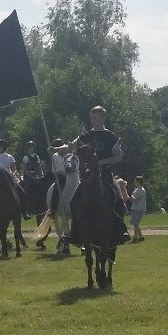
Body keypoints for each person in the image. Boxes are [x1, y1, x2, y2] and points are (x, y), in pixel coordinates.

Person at [56, 105, 130, 248]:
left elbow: (118, 157)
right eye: (91, 118)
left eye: (95, 118)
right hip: (88, 176)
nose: (92, 121)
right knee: (73, 201)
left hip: (105, 174)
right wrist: (57, 149)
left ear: (103, 118)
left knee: (119, 201)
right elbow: (72, 146)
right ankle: (75, 233)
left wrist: (100, 162)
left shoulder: (111, 137)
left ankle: (122, 231)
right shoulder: (85, 136)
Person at [0, 138, 30, 220]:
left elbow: (14, 169)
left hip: (9, 179)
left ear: (3, 147)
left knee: (23, 193)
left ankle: (24, 212)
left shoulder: (10, 157)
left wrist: (13, 174)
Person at [47, 138, 66, 217]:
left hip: (71, 173)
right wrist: (60, 173)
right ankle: (53, 209)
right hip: (61, 175)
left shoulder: (69, 153)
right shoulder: (55, 156)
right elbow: (54, 169)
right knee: (56, 189)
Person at [129, 176, 147, 243]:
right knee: (135, 223)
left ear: (139, 182)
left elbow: (136, 199)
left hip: (139, 208)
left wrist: (132, 197)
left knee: (136, 223)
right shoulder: (136, 189)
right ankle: (137, 237)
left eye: (135, 181)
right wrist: (132, 197)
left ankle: (139, 237)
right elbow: (132, 199)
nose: (134, 182)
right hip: (135, 207)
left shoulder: (142, 190)